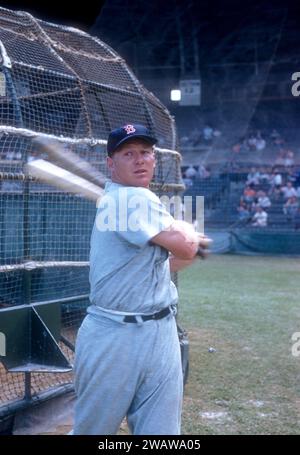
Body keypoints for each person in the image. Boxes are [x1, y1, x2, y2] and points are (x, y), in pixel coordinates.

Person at [73, 124, 210, 435]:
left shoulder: (136, 199)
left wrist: (188, 243)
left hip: (160, 331)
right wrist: (187, 232)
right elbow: (185, 245)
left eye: (145, 152)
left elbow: (173, 261)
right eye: (128, 153)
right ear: (111, 163)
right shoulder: (128, 200)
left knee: (161, 434)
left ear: (154, 159)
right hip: (115, 335)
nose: (140, 160)